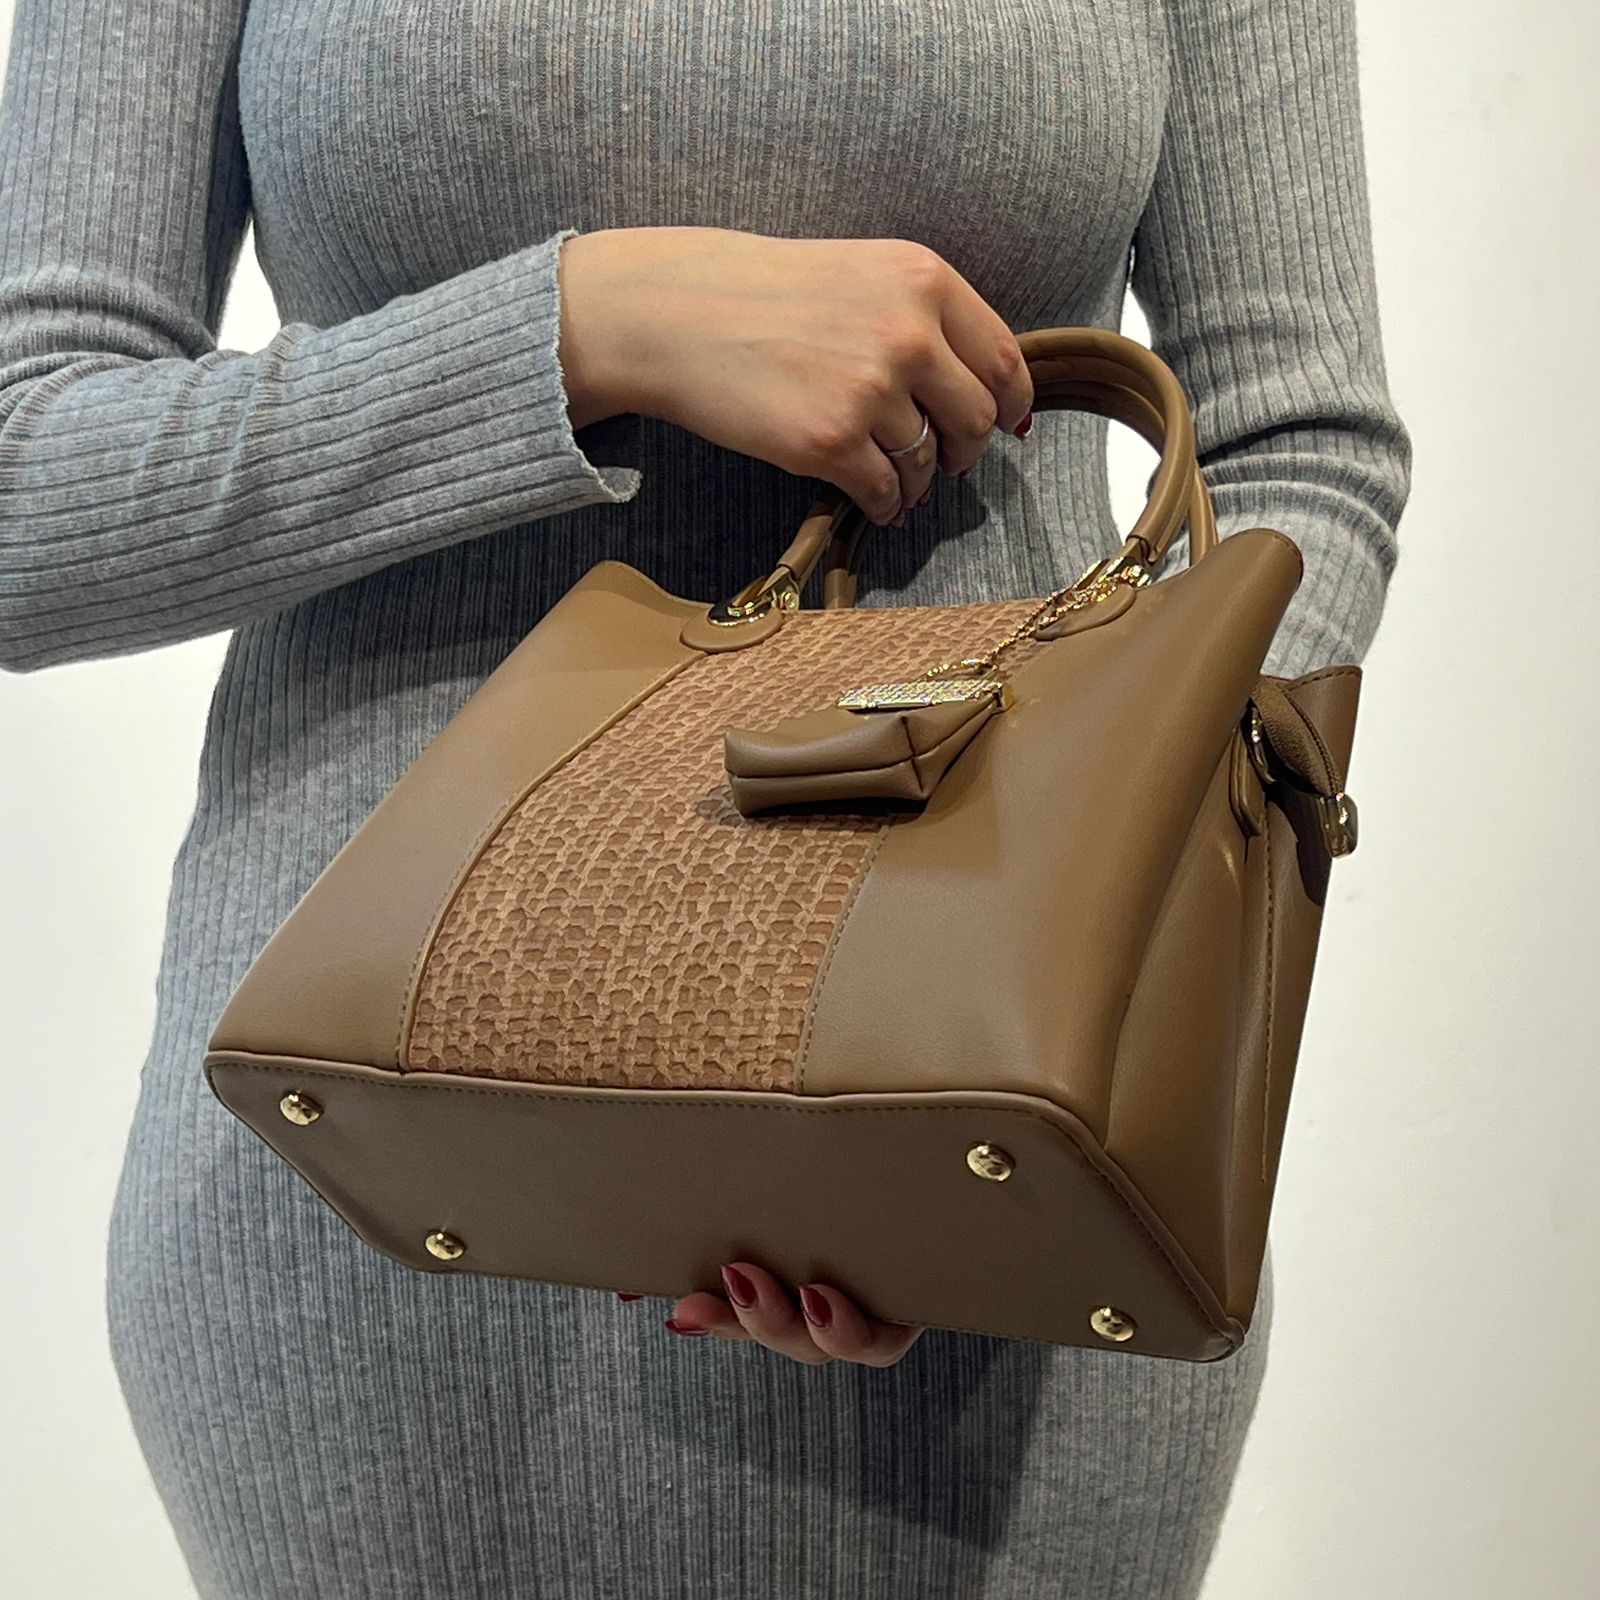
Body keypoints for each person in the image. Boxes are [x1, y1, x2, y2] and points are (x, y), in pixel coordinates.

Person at [0, 0, 1411, 1595]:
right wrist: (584, 328)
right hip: (374, 1164)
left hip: (1008, 1134)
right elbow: (23, 477)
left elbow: (1299, 446)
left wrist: (1124, 859)